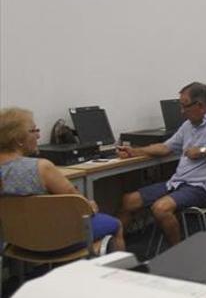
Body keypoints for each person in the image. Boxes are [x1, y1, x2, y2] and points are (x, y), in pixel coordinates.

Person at [118, 82, 206, 246]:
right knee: (129, 201)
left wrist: (204, 150)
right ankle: (115, 254)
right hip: (177, 183)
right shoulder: (188, 126)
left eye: (185, 106)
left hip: (201, 188)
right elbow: (166, 148)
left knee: (160, 208)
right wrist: (135, 151)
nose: (182, 111)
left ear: (199, 105)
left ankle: (178, 253)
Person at [0, 107, 125, 252]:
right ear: (18, 139)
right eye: (34, 131)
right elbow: (81, 206)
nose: (39, 136)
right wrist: (90, 205)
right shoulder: (42, 168)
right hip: (56, 238)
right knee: (116, 224)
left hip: (14, 240)